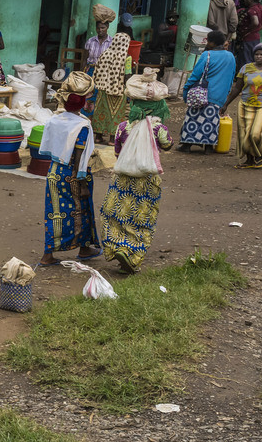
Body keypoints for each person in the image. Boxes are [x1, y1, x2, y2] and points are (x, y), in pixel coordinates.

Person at [100, 75, 173, 273]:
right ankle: (133, 255)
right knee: (142, 217)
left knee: (118, 214)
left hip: (122, 179)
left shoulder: (122, 127)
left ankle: (118, 246)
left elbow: (117, 152)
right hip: (147, 181)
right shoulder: (159, 129)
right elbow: (167, 145)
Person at [39, 72, 100, 266]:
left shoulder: (54, 120)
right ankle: (83, 248)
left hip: (54, 172)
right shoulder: (83, 126)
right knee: (82, 210)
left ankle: (49, 254)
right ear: (82, 103)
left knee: (54, 213)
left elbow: (48, 149)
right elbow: (80, 157)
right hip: (74, 174)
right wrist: (81, 181)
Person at [224, 42, 262, 170]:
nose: (258, 57)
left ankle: (259, 156)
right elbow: (237, 88)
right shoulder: (245, 68)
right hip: (245, 105)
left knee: (255, 134)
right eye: (256, 54)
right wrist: (226, 104)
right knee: (244, 134)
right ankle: (249, 160)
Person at [180, 30, 235, 152]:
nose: (206, 42)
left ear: (212, 42)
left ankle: (187, 145)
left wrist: (186, 89)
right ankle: (209, 147)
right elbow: (231, 77)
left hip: (202, 93)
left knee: (193, 118)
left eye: (208, 40)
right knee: (212, 120)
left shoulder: (207, 55)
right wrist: (226, 94)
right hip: (220, 95)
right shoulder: (230, 56)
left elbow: (195, 75)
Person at [90, 14, 134, 143]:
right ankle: (111, 138)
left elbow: (97, 71)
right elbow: (127, 75)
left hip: (103, 89)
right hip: (117, 90)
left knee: (100, 111)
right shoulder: (126, 58)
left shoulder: (105, 54)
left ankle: (98, 136)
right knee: (115, 113)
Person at [238, 0, 262, 68]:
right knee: (252, 58)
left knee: (246, 59)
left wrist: (249, 30)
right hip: (255, 37)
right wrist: (258, 28)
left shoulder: (252, 10)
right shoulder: (261, 7)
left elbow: (255, 22)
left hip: (247, 37)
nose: (244, 0)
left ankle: (245, 77)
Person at [85, 4, 117, 70]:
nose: (100, 30)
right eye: (98, 28)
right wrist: (82, 72)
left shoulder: (112, 42)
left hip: (104, 71)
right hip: (90, 69)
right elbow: (84, 59)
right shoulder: (90, 41)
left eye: (103, 28)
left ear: (107, 27)